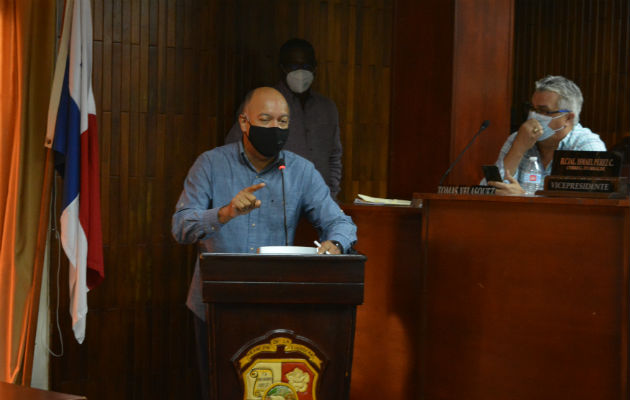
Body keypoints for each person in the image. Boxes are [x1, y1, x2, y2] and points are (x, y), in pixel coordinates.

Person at [171, 86, 357, 400]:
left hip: (277, 310)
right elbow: (180, 227)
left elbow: (341, 222)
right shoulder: (211, 165)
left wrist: (336, 245)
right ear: (244, 123)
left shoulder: (299, 171)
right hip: (216, 307)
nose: (275, 129)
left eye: (283, 122)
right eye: (266, 119)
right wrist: (226, 213)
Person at [225, 38, 343, 199]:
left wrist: (331, 194)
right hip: (274, 202)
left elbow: (334, 157)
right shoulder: (260, 102)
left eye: (306, 67)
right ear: (282, 69)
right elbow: (234, 150)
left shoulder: (327, 108)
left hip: (319, 202)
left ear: (315, 68)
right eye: (294, 67)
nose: (301, 72)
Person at [487, 75, 606, 195]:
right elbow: (488, 191)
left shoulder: (587, 146)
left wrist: (523, 199)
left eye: (543, 111)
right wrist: (518, 148)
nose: (533, 116)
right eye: (532, 109)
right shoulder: (519, 138)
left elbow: (590, 207)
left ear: (568, 118)